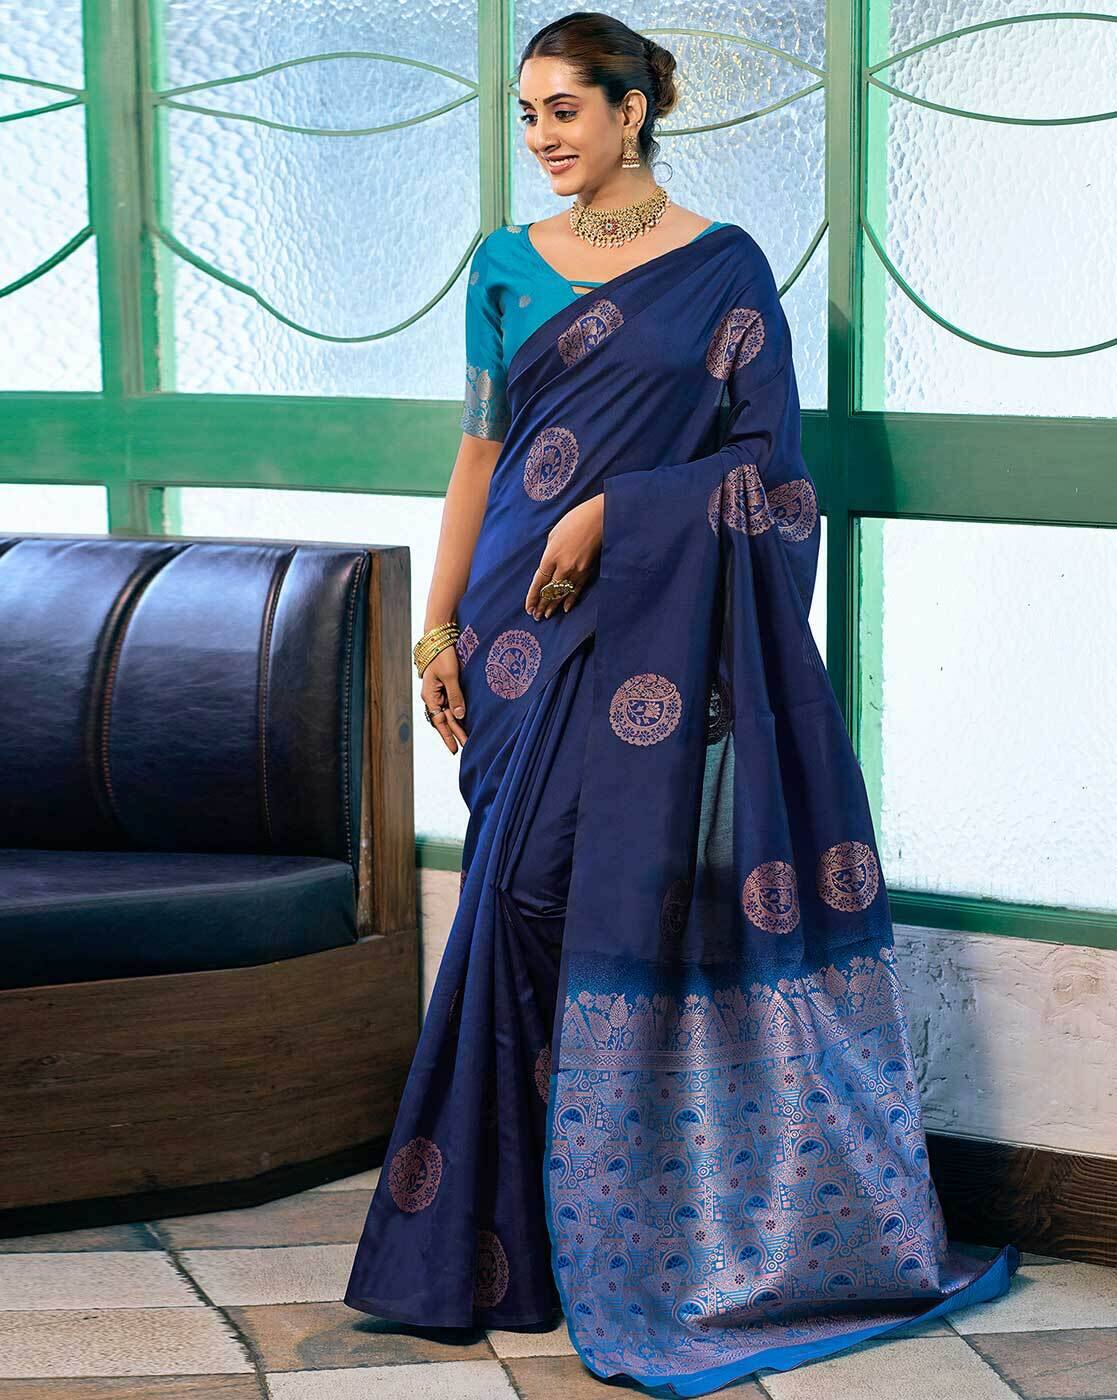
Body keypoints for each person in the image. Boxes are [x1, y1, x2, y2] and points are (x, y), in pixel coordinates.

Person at [345, 12, 1020, 1394]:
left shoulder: (724, 270)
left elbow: (770, 467)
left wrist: (617, 510)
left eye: (564, 111)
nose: (542, 138)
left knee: (561, 897)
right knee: (513, 898)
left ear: (633, 110)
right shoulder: (501, 265)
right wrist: (435, 624)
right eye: (526, 114)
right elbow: (478, 454)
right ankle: (503, 1244)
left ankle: (596, 1229)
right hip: (513, 628)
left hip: (643, 621)